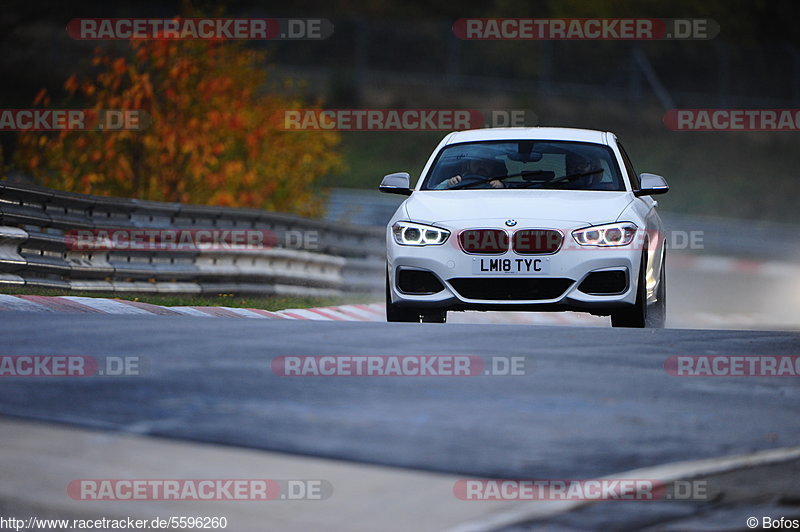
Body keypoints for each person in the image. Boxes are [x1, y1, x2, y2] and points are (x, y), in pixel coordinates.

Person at [437, 157, 505, 189]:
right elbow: (433, 192)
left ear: (492, 166)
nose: (481, 166)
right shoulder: (458, 181)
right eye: (477, 163)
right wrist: (448, 184)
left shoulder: (508, 180)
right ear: (469, 165)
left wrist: (503, 186)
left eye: (486, 163)